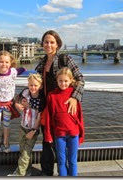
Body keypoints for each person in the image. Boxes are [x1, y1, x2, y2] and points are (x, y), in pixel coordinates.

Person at [35, 30, 85, 176]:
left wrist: (75, 98)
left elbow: (80, 80)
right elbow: (34, 82)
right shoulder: (42, 63)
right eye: (46, 42)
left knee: (63, 148)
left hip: (63, 109)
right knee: (47, 141)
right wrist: (22, 98)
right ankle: (47, 173)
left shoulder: (65, 59)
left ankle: (65, 173)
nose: (48, 44)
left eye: (52, 42)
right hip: (48, 107)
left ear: (57, 44)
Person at [43, 67, 84, 176]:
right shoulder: (52, 95)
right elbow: (48, 116)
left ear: (71, 80)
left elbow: (79, 116)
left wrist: (81, 132)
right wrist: (48, 135)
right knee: (61, 161)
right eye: (60, 81)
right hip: (59, 134)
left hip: (73, 133)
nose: (63, 83)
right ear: (56, 80)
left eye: (66, 81)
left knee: (72, 161)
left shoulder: (74, 95)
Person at [8, 73, 45, 176]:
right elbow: (17, 98)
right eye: (31, 85)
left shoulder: (42, 99)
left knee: (25, 152)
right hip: (23, 126)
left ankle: (20, 174)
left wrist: (33, 131)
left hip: (32, 129)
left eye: (35, 85)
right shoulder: (25, 92)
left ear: (41, 86)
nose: (33, 87)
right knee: (22, 149)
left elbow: (39, 117)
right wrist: (16, 104)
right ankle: (27, 171)